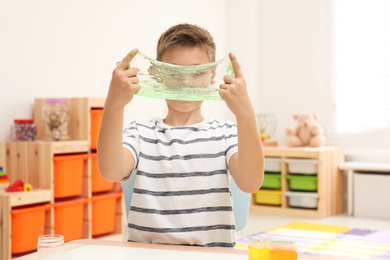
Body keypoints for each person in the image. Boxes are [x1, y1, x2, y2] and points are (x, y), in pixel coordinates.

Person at [97, 23, 264, 248]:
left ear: (212, 76)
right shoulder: (141, 133)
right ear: (158, 75)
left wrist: (245, 113)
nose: (185, 82)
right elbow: (110, 171)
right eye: (174, 73)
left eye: (196, 73)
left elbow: (251, 182)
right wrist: (114, 104)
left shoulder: (226, 134)